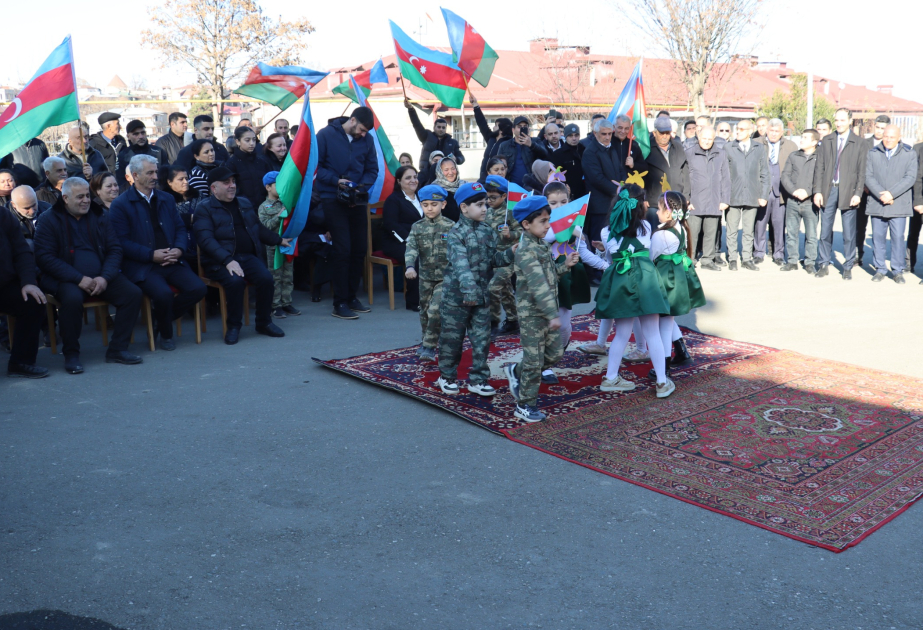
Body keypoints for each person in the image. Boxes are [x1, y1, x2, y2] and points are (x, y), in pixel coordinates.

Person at [34, 178, 143, 373]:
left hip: (101, 275)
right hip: (66, 278)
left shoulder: (100, 215)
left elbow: (115, 249)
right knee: (72, 299)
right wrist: (79, 279)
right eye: (80, 197)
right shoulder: (48, 219)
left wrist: (105, 277)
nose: (86, 201)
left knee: (132, 294)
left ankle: (118, 349)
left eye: (88, 196)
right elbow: (45, 258)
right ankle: (71, 354)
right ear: (65, 198)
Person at [109, 155, 206, 351]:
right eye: (150, 172)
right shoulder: (121, 204)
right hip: (143, 265)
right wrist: (150, 255)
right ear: (135, 175)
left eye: (155, 171)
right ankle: (166, 333)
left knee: (198, 288)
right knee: (163, 295)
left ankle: (159, 320)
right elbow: (121, 242)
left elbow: (179, 228)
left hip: (172, 260)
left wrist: (178, 250)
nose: (155, 176)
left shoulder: (166, 198)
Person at [503, 195, 579, 423]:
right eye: (543, 221)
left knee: (555, 353)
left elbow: (550, 278)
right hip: (533, 315)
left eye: (548, 220)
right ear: (526, 224)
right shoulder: (525, 250)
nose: (548, 226)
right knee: (535, 362)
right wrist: (551, 315)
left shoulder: (541, 245)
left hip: (547, 311)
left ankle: (516, 371)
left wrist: (563, 266)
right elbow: (537, 286)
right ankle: (525, 405)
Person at [435, 182, 516, 396]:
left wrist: (511, 252)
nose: (484, 208)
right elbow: (461, 266)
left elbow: (493, 260)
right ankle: (446, 376)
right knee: (452, 339)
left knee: (482, 338)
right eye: (479, 204)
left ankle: (478, 379)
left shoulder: (488, 231)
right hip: (457, 298)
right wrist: (470, 291)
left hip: (480, 296)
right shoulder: (454, 234)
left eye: (486, 204)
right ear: (463, 208)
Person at [593, 185, 673, 397]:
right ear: (640, 205)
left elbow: (611, 260)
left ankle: (611, 378)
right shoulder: (646, 226)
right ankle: (662, 382)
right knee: (652, 333)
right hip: (645, 278)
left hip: (620, 279)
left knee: (621, 333)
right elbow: (651, 254)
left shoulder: (605, 231)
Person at [192, 166, 287, 344]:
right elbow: (206, 241)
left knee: (266, 278)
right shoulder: (204, 209)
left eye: (233, 182)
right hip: (218, 261)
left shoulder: (243, 203)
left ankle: (264, 322)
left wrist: (278, 240)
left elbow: (257, 228)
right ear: (214, 188)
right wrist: (227, 260)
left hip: (246, 256)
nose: (232, 186)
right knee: (236, 282)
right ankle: (234, 326)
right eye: (226, 182)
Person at [315, 107, 378, 320]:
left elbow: (372, 170)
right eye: (361, 129)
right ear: (352, 120)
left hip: (357, 200)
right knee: (343, 249)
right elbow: (316, 167)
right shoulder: (325, 135)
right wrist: (336, 181)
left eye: (366, 132)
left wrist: (360, 188)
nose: (362, 134)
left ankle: (351, 296)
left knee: (359, 248)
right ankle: (339, 302)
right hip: (332, 198)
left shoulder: (367, 140)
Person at [648, 191, 705, 380]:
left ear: (669, 212)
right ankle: (671, 361)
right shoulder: (681, 228)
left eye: (659, 208)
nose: (656, 212)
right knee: (667, 323)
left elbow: (652, 258)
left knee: (661, 327)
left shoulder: (662, 234)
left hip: (664, 281)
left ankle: (662, 368)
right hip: (676, 279)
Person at [812, 108, 868, 280]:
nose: (839, 123)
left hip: (849, 191)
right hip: (828, 190)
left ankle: (848, 265)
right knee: (825, 230)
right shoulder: (827, 140)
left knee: (849, 232)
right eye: (837, 120)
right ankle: (823, 263)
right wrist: (818, 191)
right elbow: (819, 168)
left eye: (842, 120)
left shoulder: (859, 143)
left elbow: (862, 171)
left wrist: (858, 193)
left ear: (850, 121)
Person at [542, 181, 592, 372]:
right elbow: (546, 238)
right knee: (544, 325)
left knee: (563, 326)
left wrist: (606, 265)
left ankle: (559, 350)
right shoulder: (541, 224)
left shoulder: (575, 227)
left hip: (566, 281)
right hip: (543, 282)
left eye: (564, 202)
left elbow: (585, 253)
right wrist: (567, 230)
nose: (559, 207)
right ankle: (545, 366)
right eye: (553, 203)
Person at [404, 184, 456, 363]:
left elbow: (459, 252)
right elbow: (411, 247)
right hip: (425, 277)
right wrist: (410, 266)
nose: (429, 208)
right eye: (425, 204)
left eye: (434, 204)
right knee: (425, 311)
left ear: (443, 205)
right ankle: (426, 338)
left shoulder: (451, 227)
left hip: (445, 278)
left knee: (435, 310)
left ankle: (429, 345)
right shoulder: (417, 227)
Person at [864, 125, 918, 284]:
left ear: (899, 137)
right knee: (878, 238)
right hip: (877, 202)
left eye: (892, 137)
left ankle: (897, 270)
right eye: (885, 136)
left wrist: (891, 194)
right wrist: (882, 194)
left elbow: (910, 177)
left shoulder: (909, 154)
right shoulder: (873, 153)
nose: (888, 139)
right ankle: (880, 269)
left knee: (897, 238)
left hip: (898, 203)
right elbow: (868, 176)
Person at [0, 204, 48, 378]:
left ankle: (21, 362)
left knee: (33, 301)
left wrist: (29, 282)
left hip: (4, 284)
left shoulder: (3, 215)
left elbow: (22, 250)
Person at [724, 120, 769, 271]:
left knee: (748, 230)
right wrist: (724, 196)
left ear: (750, 131)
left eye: (742, 129)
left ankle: (747, 258)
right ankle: (732, 258)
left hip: (752, 194)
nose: (738, 131)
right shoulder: (728, 147)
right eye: (737, 129)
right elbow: (723, 174)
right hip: (733, 195)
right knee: (731, 229)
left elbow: (765, 173)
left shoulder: (759, 148)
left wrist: (763, 195)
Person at [582, 118, 626, 268]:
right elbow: (596, 178)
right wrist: (617, 190)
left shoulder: (611, 147)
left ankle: (609, 267)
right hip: (599, 204)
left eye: (609, 134)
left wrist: (622, 184)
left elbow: (620, 169)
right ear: (595, 134)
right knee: (597, 238)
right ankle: (595, 272)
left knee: (611, 238)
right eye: (603, 134)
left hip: (613, 201)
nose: (607, 137)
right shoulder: (590, 152)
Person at [685, 125, 730, 271]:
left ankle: (707, 260)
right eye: (704, 138)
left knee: (711, 234)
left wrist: (725, 200)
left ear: (714, 139)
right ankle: (689, 260)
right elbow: (684, 179)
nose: (706, 141)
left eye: (710, 139)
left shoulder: (721, 154)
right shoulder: (689, 153)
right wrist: (686, 199)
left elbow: (726, 178)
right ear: (698, 137)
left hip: (714, 201)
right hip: (695, 202)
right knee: (692, 234)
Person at [258, 171, 300, 318]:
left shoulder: (286, 202)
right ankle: (276, 305)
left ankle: (287, 302)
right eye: (278, 184)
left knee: (288, 275)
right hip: (272, 247)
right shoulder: (264, 207)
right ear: (268, 187)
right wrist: (278, 216)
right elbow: (265, 227)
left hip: (287, 244)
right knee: (275, 276)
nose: (282, 187)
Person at [755, 118, 797, 264]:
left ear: (782, 132)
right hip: (763, 191)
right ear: (766, 131)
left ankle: (778, 254)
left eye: (776, 131)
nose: (773, 134)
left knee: (779, 224)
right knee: (760, 223)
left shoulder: (791, 146)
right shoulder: (757, 144)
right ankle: (758, 253)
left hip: (781, 192)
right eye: (771, 131)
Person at [381, 165, 422, 311]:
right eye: (408, 177)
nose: (413, 180)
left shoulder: (421, 197)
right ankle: (414, 302)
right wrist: (411, 241)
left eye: (415, 177)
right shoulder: (393, 200)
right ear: (399, 181)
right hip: (397, 242)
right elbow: (391, 225)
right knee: (416, 257)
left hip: (420, 240)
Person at [780, 129, 821, 273]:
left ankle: (810, 262)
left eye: (805, 138)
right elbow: (785, 176)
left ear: (814, 142)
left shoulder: (820, 157)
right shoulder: (794, 156)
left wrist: (808, 192)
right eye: (801, 137)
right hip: (793, 201)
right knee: (791, 233)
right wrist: (794, 191)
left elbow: (820, 178)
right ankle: (792, 261)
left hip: (810, 203)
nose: (801, 140)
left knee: (811, 235)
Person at [484, 175, 520, 335]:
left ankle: (493, 323)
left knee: (493, 288)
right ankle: (513, 321)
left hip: (509, 258)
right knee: (505, 290)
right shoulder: (487, 212)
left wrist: (510, 234)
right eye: (487, 197)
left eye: (493, 197)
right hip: (492, 258)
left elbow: (523, 231)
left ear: (504, 196)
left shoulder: (511, 212)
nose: (489, 200)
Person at [856, 114, 893, 266]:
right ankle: (858, 255)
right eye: (877, 127)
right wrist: (862, 186)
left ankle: (879, 260)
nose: (879, 131)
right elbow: (858, 167)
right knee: (859, 226)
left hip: (883, 193)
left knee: (879, 229)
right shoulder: (862, 144)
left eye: (883, 128)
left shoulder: (892, 144)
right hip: (864, 192)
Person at [404, 99, 464, 170]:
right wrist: (411, 109)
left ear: (446, 129)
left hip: (445, 174)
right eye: (438, 127)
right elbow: (417, 124)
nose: (441, 129)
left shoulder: (452, 142)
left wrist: (456, 159)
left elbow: (462, 158)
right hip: (427, 173)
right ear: (434, 127)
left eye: (443, 127)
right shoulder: (426, 136)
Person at [159, 165, 201, 261]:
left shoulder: (198, 195)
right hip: (178, 246)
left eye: (186, 178)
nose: (185, 182)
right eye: (181, 179)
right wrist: (188, 218)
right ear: (169, 182)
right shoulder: (164, 200)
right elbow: (167, 220)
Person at [469, 92, 512, 180]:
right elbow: (482, 124)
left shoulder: (509, 144)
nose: (493, 127)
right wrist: (475, 105)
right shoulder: (491, 138)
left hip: (498, 179)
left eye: (496, 125)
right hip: (484, 177)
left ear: (501, 130)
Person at [225, 126, 271, 207]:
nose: (252, 143)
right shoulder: (231, 163)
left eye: (254, 140)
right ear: (238, 141)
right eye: (247, 140)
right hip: (243, 210)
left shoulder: (262, 162)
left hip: (265, 209)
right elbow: (232, 190)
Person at [645, 117, 688, 200]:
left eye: (667, 133)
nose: (664, 136)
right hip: (654, 201)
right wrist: (645, 198)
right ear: (654, 133)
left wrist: (686, 196)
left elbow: (685, 173)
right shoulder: (647, 149)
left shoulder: (679, 148)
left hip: (677, 198)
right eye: (661, 133)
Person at [116, 120, 167, 192]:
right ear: (128, 136)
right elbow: (121, 182)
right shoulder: (123, 156)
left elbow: (166, 176)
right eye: (136, 134)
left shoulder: (159, 152)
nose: (141, 136)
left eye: (143, 133)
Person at [498, 116, 549, 187]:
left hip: (533, 186)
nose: (522, 129)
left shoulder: (536, 141)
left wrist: (531, 145)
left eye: (525, 126)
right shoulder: (504, 145)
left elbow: (545, 155)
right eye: (519, 127)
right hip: (512, 187)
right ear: (513, 130)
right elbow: (499, 164)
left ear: (528, 129)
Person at [549, 123, 586, 199]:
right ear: (565, 137)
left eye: (576, 135)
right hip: (569, 194)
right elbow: (555, 176)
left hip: (585, 192)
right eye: (570, 136)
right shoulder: (558, 154)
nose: (574, 138)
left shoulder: (585, 150)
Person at [9, 185, 48, 250]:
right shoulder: (5, 219)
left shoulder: (47, 209)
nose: (32, 211)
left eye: (34, 205)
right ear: (14, 204)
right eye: (26, 208)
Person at [432, 156, 465, 222]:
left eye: (453, 168)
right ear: (440, 171)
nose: (450, 172)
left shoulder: (464, 186)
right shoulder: (435, 190)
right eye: (446, 170)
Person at [908, 141, 923, 278]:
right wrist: (918, 201)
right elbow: (917, 177)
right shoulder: (918, 148)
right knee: (913, 233)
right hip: (919, 200)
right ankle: (909, 264)